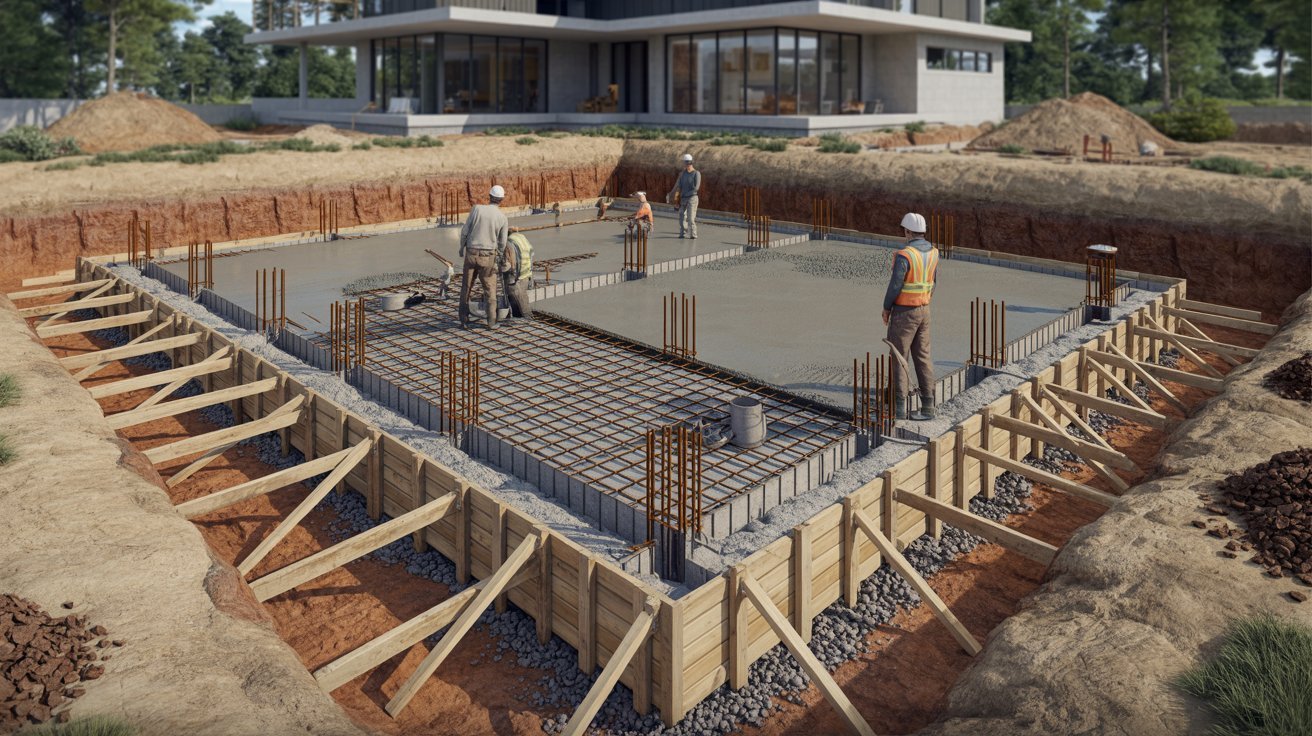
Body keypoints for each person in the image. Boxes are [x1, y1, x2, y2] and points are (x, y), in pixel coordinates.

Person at [882, 212, 939, 421]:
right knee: (923, 357)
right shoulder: (934, 252)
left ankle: (898, 409)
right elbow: (934, 283)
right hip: (924, 311)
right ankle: (928, 406)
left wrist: (886, 307)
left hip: (904, 313)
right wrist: (923, 300)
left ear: (907, 231)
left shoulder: (905, 255)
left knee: (899, 358)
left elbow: (895, 285)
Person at [458, 184, 509, 329]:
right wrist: (498, 257)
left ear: (490, 196)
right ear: (501, 199)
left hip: (471, 253)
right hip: (488, 256)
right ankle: (491, 322)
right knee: (490, 289)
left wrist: (462, 248)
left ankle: (463, 320)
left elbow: (464, 231)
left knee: (466, 287)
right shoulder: (502, 217)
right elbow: (502, 242)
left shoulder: (477, 209)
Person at [666, 153, 701, 239]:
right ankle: (683, 232)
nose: (686, 165)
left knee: (690, 218)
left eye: (687, 163)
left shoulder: (696, 173)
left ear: (690, 163)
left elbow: (696, 188)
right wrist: (675, 197)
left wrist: (685, 194)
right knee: (681, 216)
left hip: (692, 198)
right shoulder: (682, 174)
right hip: (683, 199)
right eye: (685, 163)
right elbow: (679, 186)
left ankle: (693, 234)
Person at [502, 228, 534, 319]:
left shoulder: (508, 244)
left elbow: (507, 266)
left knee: (521, 307)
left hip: (516, 279)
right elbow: (531, 254)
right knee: (522, 302)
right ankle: (521, 320)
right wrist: (531, 277)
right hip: (526, 274)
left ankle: (526, 321)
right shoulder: (522, 238)